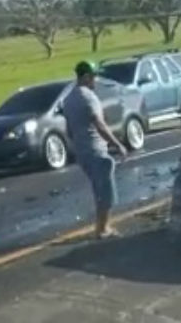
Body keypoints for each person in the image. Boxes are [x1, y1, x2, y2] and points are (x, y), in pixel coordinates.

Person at [62, 60, 128, 239]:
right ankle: (103, 229)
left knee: (99, 188)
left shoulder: (68, 99)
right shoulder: (88, 97)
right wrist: (117, 144)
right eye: (93, 77)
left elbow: (69, 130)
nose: (95, 81)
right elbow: (99, 123)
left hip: (83, 152)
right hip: (96, 150)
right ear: (85, 77)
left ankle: (102, 227)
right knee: (106, 191)